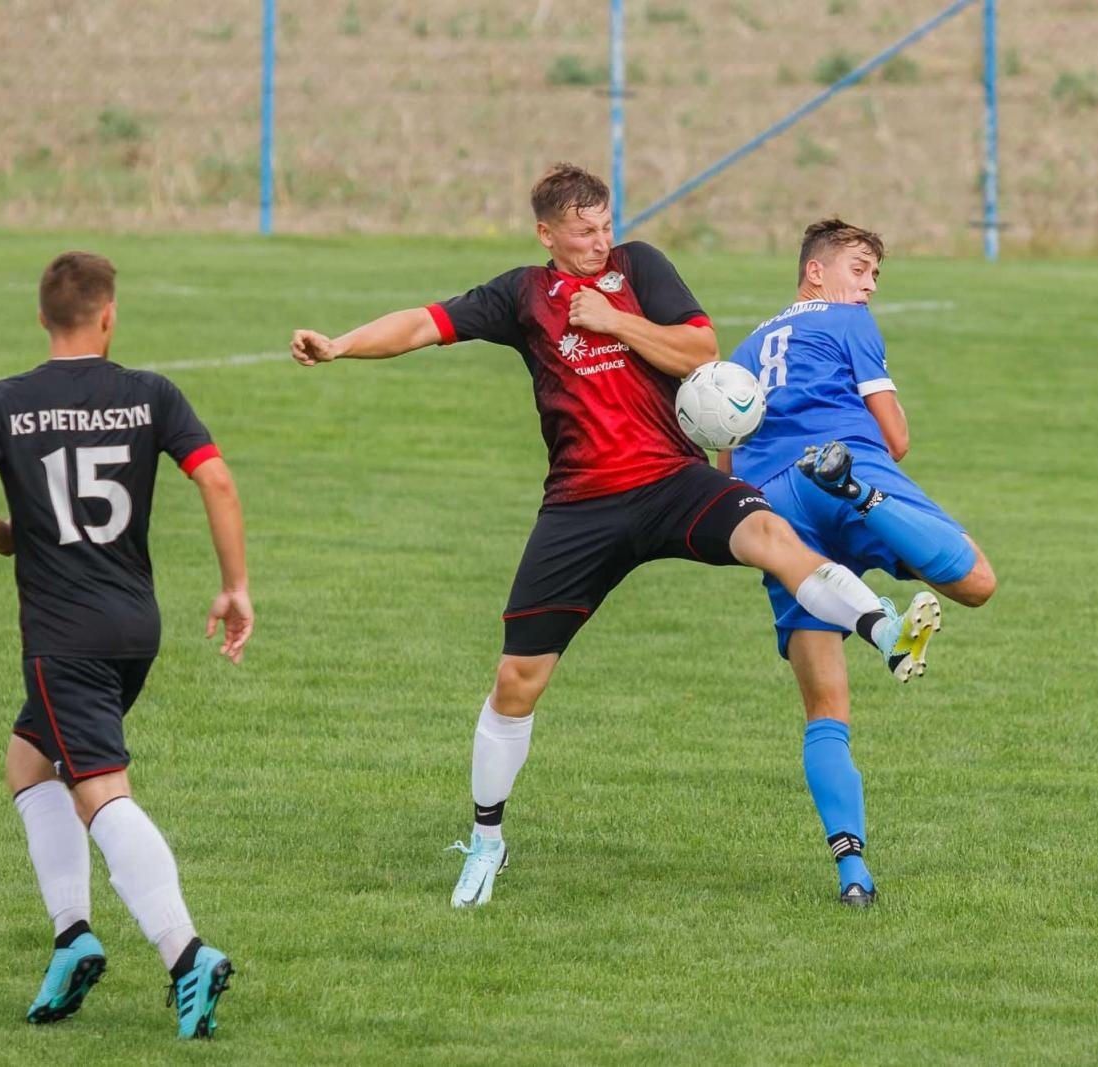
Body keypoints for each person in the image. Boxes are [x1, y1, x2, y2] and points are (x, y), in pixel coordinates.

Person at [290, 164, 922, 909]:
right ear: (547, 233)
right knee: (515, 681)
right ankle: (486, 841)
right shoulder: (521, 294)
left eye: (605, 225)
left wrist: (614, 318)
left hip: (670, 482)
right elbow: (425, 325)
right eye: (584, 231)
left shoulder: (641, 268)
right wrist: (338, 344)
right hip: (581, 508)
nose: (600, 241)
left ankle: (883, 629)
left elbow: (700, 351)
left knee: (770, 533)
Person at [0, 251, 253, 1037]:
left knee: (98, 789)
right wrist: (234, 584)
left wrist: (7, 535)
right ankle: (72, 935)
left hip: (62, 635)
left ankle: (187, 953)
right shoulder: (150, 393)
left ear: (42, 317)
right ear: (109, 315)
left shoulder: (3, 402)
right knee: (27, 758)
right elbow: (215, 478)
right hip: (132, 625)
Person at [725, 218, 997, 906]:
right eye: (859, 268)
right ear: (816, 271)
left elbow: (723, 461)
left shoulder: (748, 348)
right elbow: (897, 436)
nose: (868, 285)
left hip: (774, 505)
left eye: (875, 275)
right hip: (845, 469)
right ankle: (861, 494)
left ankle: (854, 875)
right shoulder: (848, 324)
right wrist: (860, 480)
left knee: (825, 709)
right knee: (976, 582)